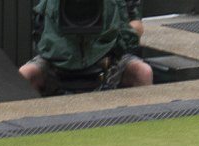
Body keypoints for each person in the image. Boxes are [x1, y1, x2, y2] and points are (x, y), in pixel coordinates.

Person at [19, 0, 154, 96]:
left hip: (109, 56)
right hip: (58, 60)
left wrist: (114, 31)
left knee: (143, 72)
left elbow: (137, 26)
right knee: (26, 74)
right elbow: (41, 31)